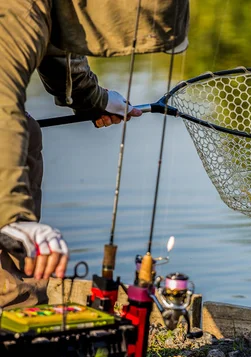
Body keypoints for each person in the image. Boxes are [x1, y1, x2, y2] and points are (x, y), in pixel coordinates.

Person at [0, 0, 189, 309]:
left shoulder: (40, 9)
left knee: (27, 133)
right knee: (16, 135)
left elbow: (55, 41)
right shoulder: (20, 11)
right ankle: (11, 314)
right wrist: (14, 217)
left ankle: (16, 308)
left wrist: (94, 100)